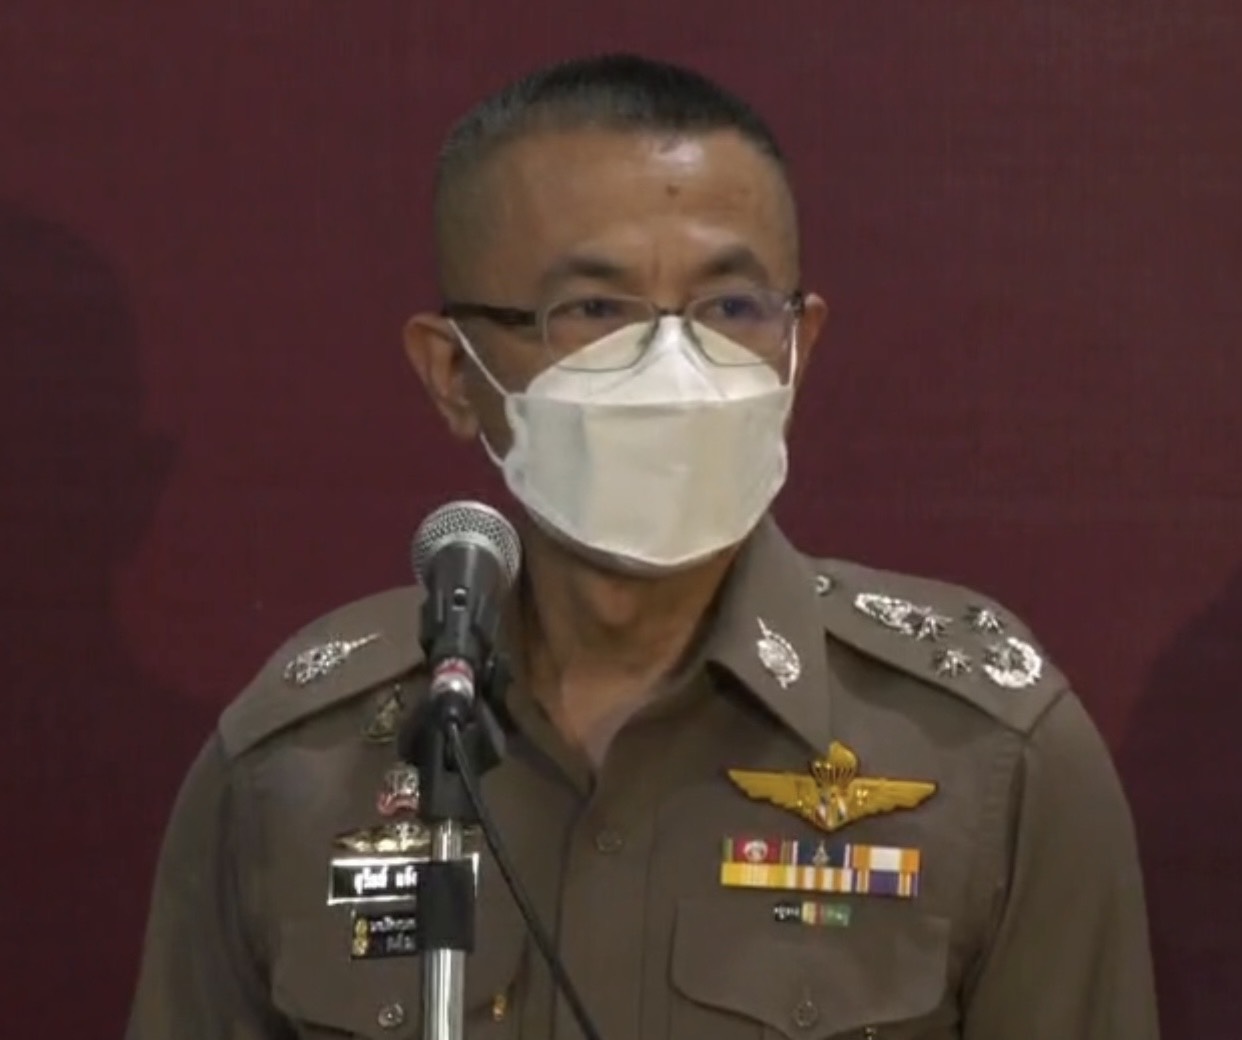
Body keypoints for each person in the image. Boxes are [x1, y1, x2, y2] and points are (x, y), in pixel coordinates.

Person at [127, 53, 1158, 1039]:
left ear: (799, 350)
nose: (675, 365)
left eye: (731, 307)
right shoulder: (299, 765)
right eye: (595, 310)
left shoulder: (987, 756)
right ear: (453, 372)